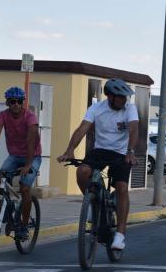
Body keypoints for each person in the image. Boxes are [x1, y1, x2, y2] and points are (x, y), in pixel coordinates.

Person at [57, 78, 139, 251]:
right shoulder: (96, 108)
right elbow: (82, 129)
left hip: (122, 153)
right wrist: (70, 150)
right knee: (82, 172)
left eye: (126, 97)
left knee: (122, 187)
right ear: (109, 96)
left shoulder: (130, 108)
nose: (124, 100)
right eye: (120, 97)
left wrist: (131, 151)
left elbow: (134, 129)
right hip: (100, 150)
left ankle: (120, 235)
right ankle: (93, 201)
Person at [0, 86, 42, 240]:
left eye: (19, 101)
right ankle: (9, 214)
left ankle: (24, 227)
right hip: (14, 156)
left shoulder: (30, 117)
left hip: (33, 156)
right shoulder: (2, 116)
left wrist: (27, 165)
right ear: (7, 103)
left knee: (25, 188)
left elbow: (31, 141)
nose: (16, 104)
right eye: (12, 102)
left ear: (22, 103)